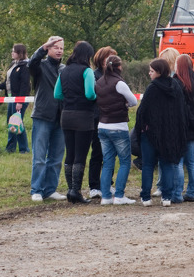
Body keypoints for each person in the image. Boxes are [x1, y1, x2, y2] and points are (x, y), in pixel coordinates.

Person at [135, 58, 187, 207]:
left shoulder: (152, 88)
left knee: (148, 165)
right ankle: (167, 197)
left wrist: (141, 128)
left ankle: (146, 197)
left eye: (151, 71)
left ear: (158, 72)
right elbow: (181, 110)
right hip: (170, 134)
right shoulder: (175, 86)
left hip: (151, 134)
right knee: (167, 165)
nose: (149, 73)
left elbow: (142, 111)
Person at [54, 41, 97, 204]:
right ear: (87, 56)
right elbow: (90, 94)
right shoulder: (87, 71)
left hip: (66, 115)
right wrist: (95, 98)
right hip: (83, 116)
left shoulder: (63, 71)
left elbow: (57, 94)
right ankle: (76, 191)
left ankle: (70, 190)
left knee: (70, 153)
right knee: (80, 154)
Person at [27, 36, 67, 202]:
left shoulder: (65, 68)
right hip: (43, 115)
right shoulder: (40, 66)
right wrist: (43, 47)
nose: (59, 50)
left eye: (62, 48)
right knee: (39, 157)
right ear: (48, 48)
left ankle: (50, 189)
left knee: (56, 157)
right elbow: (31, 63)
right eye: (55, 47)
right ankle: (36, 189)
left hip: (61, 117)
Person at [95, 55, 137, 205]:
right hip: (118, 126)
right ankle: (119, 195)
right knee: (125, 161)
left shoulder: (98, 82)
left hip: (102, 126)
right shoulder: (119, 83)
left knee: (107, 162)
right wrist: (125, 105)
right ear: (119, 67)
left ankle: (105, 196)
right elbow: (134, 100)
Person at [172, 54, 194, 202]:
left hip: (181, 128)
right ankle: (192, 192)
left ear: (178, 67)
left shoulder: (177, 83)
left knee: (178, 162)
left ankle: (177, 193)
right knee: (192, 162)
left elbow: (183, 109)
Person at [88, 46, 117, 199]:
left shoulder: (116, 76)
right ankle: (94, 185)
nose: (110, 61)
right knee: (97, 153)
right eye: (108, 57)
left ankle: (108, 183)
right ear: (101, 59)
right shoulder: (94, 75)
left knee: (111, 154)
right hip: (98, 119)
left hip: (113, 119)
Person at [151, 47, 180, 198]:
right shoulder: (177, 79)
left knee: (165, 158)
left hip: (165, 124)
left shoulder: (170, 80)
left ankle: (164, 186)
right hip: (172, 123)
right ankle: (168, 187)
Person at [0, 44, 31, 153]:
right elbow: (8, 82)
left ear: (20, 53)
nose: (12, 53)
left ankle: (24, 149)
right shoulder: (13, 64)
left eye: (13, 51)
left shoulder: (25, 66)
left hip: (19, 99)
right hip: (10, 98)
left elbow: (24, 85)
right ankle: (10, 148)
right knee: (11, 123)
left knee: (17, 123)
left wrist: (20, 101)